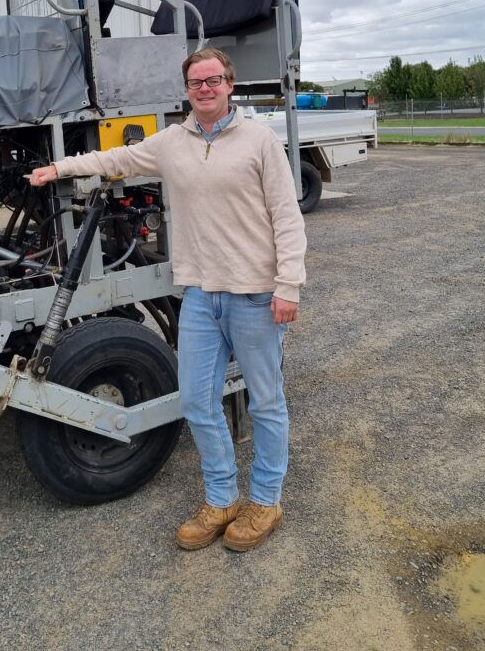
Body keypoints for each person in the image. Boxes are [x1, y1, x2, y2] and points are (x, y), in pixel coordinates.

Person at [30, 47, 307, 551]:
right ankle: (221, 498)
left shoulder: (259, 141)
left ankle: (265, 500)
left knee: (266, 402)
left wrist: (288, 286)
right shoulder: (171, 143)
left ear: (230, 85)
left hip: (254, 294)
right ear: (187, 90)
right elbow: (115, 158)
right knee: (197, 401)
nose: (205, 88)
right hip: (201, 295)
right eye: (196, 81)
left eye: (214, 80)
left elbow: (287, 217)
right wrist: (59, 167)